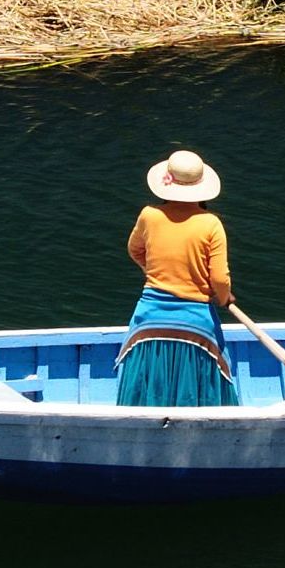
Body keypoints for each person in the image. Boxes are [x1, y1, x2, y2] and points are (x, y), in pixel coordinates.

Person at [113, 149, 239, 407]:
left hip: (149, 317)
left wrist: (153, 273)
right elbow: (220, 278)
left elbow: (135, 249)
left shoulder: (149, 214)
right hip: (196, 320)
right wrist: (224, 298)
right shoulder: (211, 223)